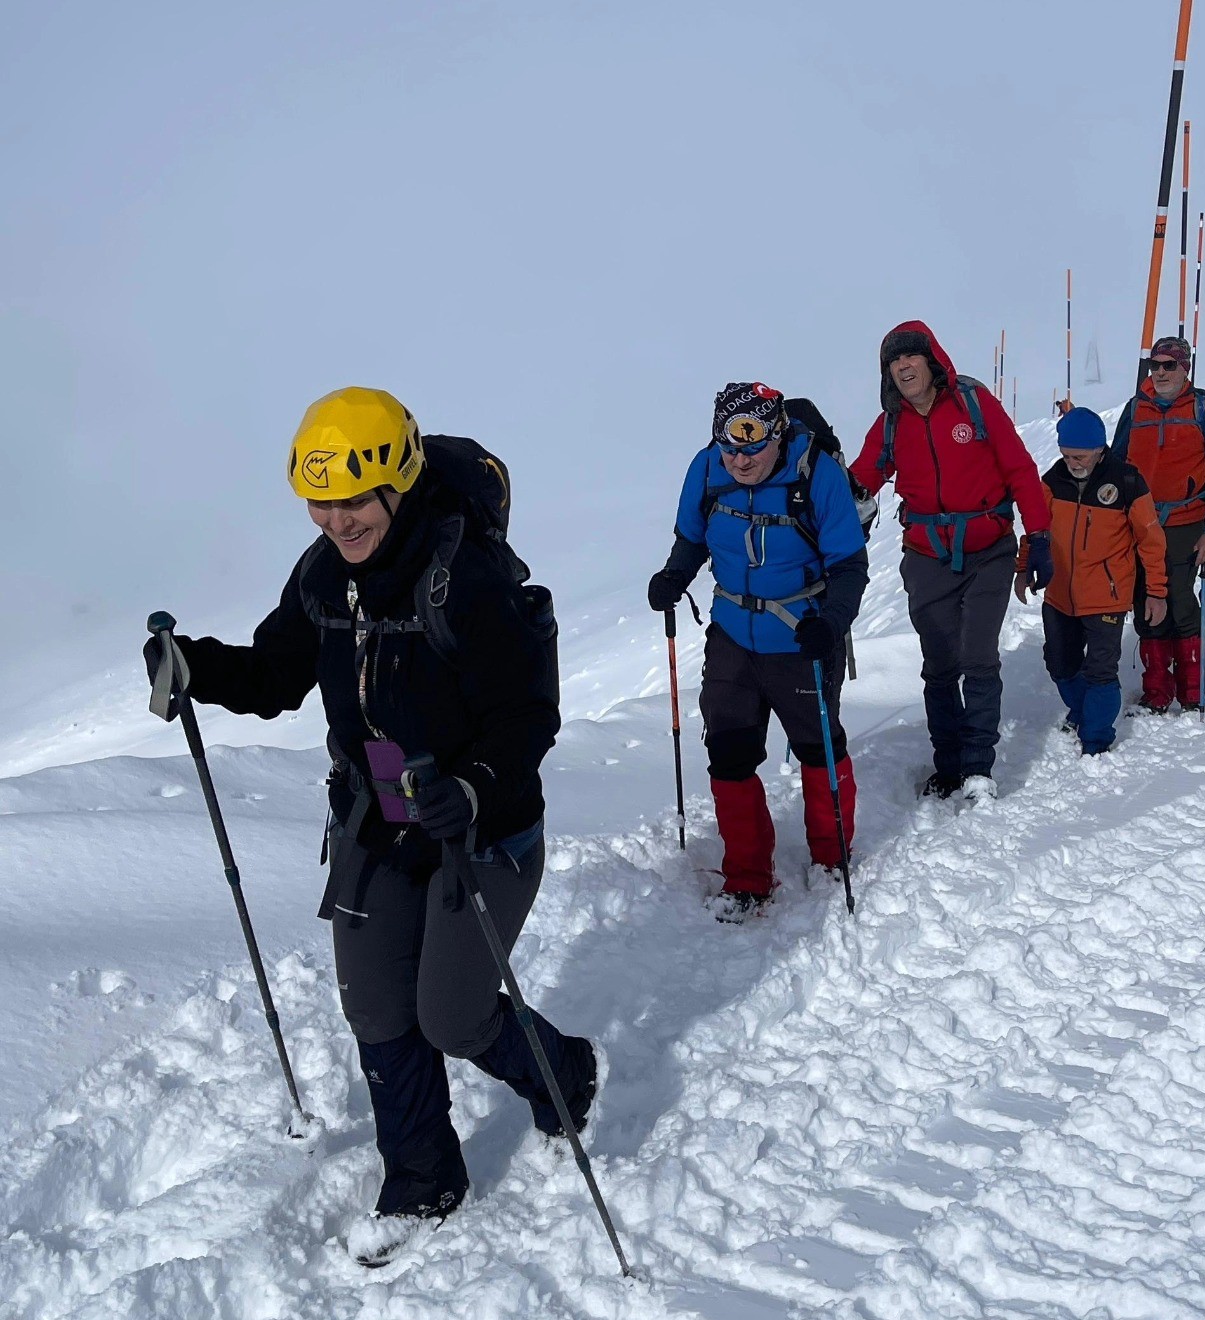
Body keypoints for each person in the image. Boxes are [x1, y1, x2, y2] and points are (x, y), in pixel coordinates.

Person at [143, 387, 595, 1266]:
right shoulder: (321, 578)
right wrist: (194, 666)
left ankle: (563, 1069)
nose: (336, 519)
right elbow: (276, 674)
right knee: (379, 1009)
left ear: (396, 482)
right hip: (376, 825)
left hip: (482, 830)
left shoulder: (469, 580)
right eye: (321, 501)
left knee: (453, 1014)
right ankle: (423, 1180)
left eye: (353, 499)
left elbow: (527, 717)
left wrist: (471, 787)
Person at [647, 383, 868, 919]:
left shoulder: (818, 474)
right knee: (728, 753)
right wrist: (676, 573)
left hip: (801, 634)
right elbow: (692, 537)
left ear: (778, 435)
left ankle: (831, 857)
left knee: (818, 746)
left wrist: (831, 622)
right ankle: (747, 878)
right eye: (729, 446)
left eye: (751, 446)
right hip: (731, 635)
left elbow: (849, 565)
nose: (739, 459)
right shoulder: (706, 469)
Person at [851, 321, 1050, 801]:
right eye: (893, 362)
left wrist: (1040, 535)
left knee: (977, 657)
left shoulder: (974, 404)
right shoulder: (891, 424)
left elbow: (1020, 469)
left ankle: (978, 768)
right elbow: (860, 482)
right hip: (926, 557)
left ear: (931, 360)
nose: (902, 366)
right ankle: (949, 765)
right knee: (939, 665)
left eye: (910, 356)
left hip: (990, 550)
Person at [1015, 407, 1166, 755]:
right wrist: (1024, 568)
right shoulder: (1053, 480)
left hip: (1107, 597)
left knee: (1100, 670)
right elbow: (1036, 528)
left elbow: (1151, 540)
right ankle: (1082, 712)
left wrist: (1156, 591)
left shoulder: (1127, 482)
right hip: (1059, 593)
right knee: (1059, 662)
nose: (1073, 462)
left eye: (1080, 456)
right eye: (1066, 455)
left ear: (1100, 449)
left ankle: (1096, 740)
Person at [1112, 336, 1205, 713]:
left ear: (1185, 369)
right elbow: (1114, 466)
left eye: (1169, 365)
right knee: (1145, 599)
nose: (1160, 372)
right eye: (1155, 365)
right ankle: (1157, 691)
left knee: (1179, 600)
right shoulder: (1135, 408)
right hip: (1139, 522)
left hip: (1186, 522)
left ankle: (1192, 688)